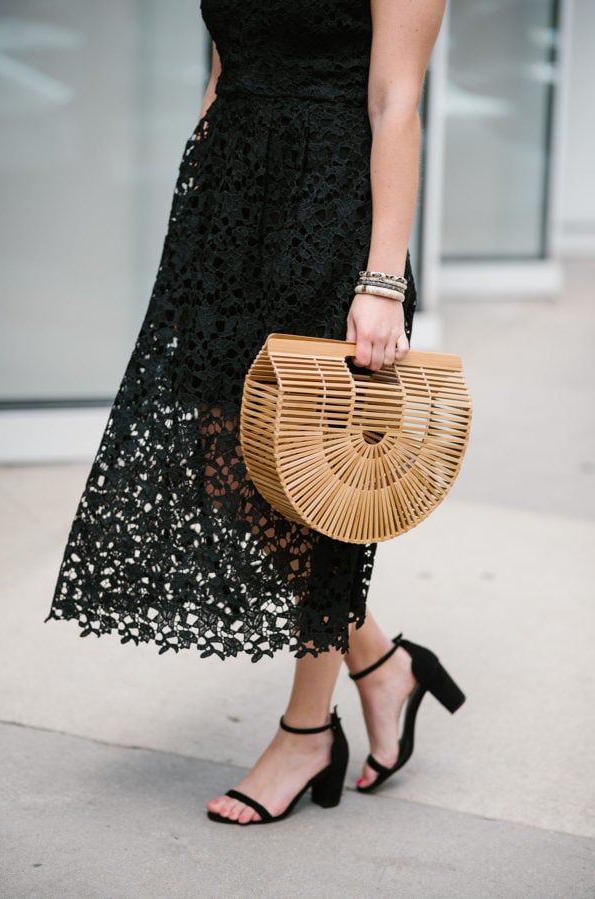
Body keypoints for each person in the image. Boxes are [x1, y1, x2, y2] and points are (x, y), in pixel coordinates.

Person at [47, 0, 465, 827]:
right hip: (231, 208)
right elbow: (220, 73)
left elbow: (395, 103)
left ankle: (307, 731)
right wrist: (199, 224)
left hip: (333, 210)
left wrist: (380, 281)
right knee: (222, 451)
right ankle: (380, 662)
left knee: (313, 475)